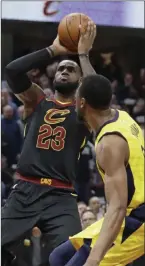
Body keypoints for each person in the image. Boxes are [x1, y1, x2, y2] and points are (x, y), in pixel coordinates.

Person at [1, 21, 96, 266]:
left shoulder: (84, 111)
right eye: (61, 68)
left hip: (60, 194)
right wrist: (53, 50)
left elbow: (97, 92)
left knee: (72, 257)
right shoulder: (37, 101)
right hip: (24, 190)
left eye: (71, 69)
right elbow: (12, 70)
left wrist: (83, 54)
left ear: (80, 79)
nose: (64, 71)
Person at [49, 74, 144, 266]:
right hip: (127, 214)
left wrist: (93, 260)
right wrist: (84, 55)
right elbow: (97, 86)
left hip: (136, 220)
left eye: (76, 95)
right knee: (58, 257)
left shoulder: (109, 144)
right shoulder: (122, 116)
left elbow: (117, 208)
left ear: (82, 102)